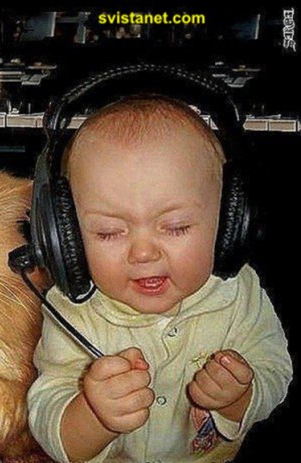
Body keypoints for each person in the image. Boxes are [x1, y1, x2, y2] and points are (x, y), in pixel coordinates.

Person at [26, 95, 293, 463]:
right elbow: (47, 415)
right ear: (64, 233)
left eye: (176, 226)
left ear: (230, 224)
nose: (143, 253)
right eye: (108, 232)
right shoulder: (72, 311)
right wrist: (93, 415)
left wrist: (240, 397)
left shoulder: (238, 293)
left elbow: (275, 370)